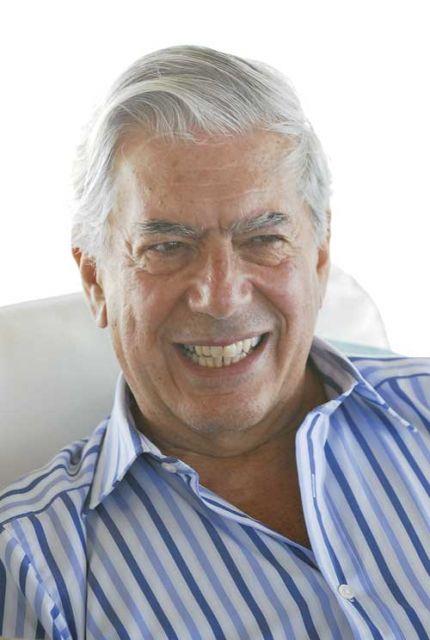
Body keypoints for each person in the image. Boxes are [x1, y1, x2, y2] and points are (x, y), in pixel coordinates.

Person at [0, 45, 429, 640]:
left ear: (319, 256)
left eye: (263, 238)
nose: (221, 297)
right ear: (96, 280)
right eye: (167, 247)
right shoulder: (30, 567)